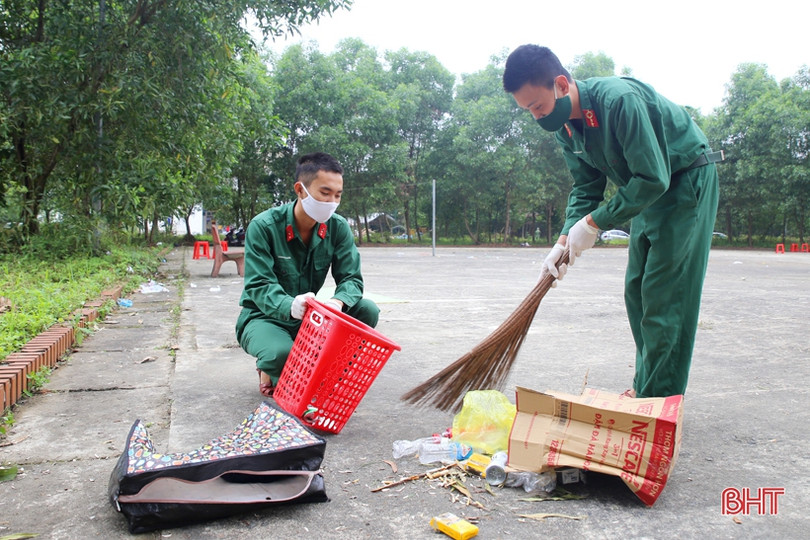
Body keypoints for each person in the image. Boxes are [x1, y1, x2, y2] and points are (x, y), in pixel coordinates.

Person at [502, 45, 720, 398]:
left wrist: (593, 223)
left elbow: (653, 177)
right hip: (646, 193)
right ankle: (646, 386)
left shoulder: (617, 102)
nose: (537, 117)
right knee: (636, 292)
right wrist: (562, 242)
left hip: (684, 183)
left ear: (560, 84)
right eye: (528, 111)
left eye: (538, 106)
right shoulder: (566, 128)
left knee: (665, 297)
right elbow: (587, 186)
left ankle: (657, 401)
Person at [235, 152, 380, 397]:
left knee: (367, 310)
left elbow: (352, 279)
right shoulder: (264, 227)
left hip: (312, 318)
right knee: (280, 355)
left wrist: (337, 302)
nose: (332, 202)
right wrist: (289, 304)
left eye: (338, 195)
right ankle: (269, 366)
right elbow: (258, 285)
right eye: (325, 193)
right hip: (265, 316)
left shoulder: (338, 227)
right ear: (300, 190)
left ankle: (320, 367)